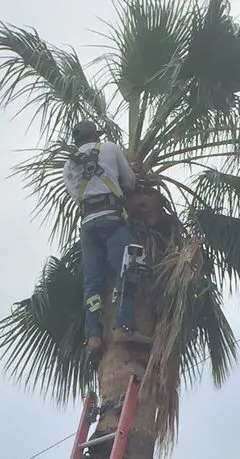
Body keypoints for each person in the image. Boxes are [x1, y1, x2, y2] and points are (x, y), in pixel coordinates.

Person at [62, 120, 152, 363]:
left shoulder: (68, 165)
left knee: (92, 282)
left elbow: (74, 194)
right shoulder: (111, 149)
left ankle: (93, 335)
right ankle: (124, 326)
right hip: (112, 219)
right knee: (130, 266)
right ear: (95, 136)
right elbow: (130, 182)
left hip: (88, 224)